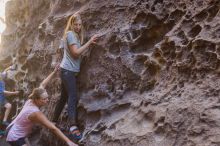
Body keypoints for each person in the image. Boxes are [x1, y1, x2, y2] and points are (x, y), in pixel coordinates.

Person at [52, 13, 98, 140]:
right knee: (73, 96)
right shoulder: (71, 34)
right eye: (75, 24)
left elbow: (61, 49)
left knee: (63, 98)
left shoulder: (71, 35)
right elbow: (76, 53)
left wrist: (58, 61)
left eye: (79, 24)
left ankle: (53, 122)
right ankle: (73, 126)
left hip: (66, 70)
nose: (78, 27)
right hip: (68, 71)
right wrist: (89, 42)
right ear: (71, 24)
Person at [6, 66, 78, 146]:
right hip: (14, 137)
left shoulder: (31, 99)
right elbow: (52, 128)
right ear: (37, 99)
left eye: (47, 97)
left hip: (12, 128)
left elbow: (43, 84)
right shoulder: (35, 112)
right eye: (44, 99)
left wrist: (54, 72)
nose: (47, 100)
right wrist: (68, 141)